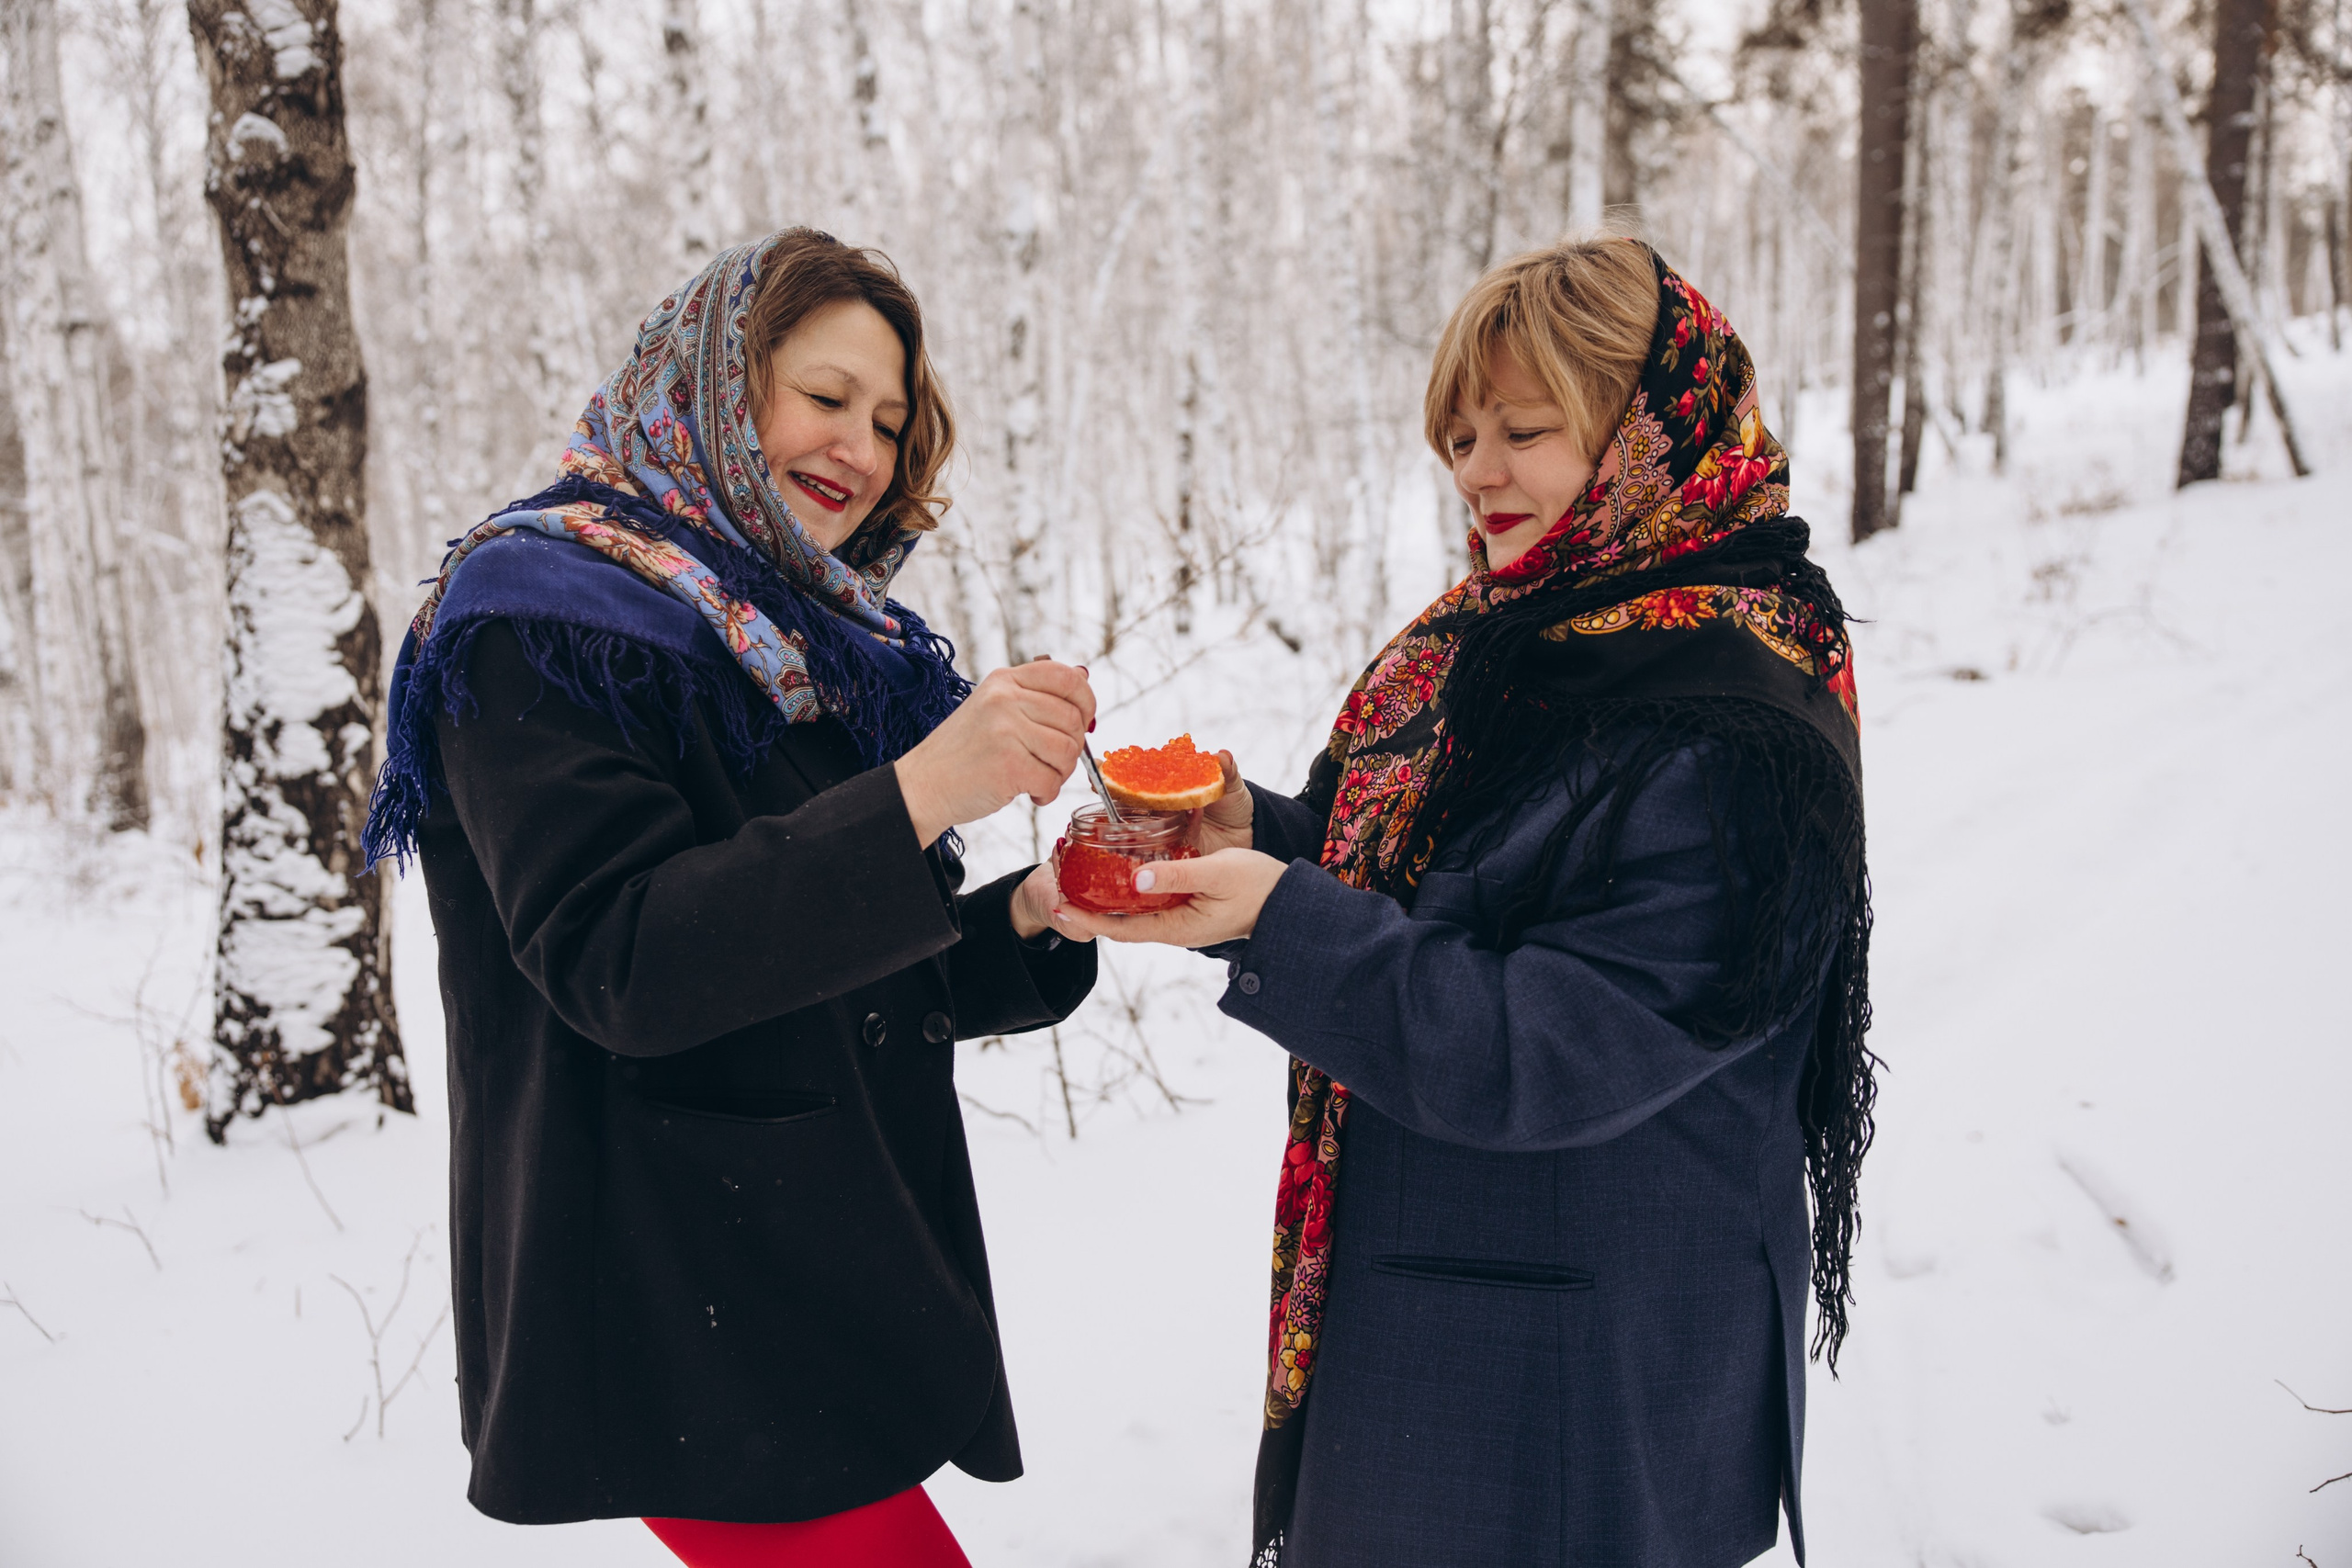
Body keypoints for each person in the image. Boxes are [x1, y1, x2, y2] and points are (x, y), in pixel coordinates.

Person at [1053, 237, 1874, 1567]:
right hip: (1465, 1329)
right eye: (1461, 435)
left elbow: (1548, 1047)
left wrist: (1276, 917)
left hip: (1580, 1374)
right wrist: (1262, 839)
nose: (1476, 471)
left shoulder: (1735, 723)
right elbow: (1438, 880)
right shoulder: (1519, 633)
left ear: (1648, 436)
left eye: (1523, 432)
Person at [364, 230, 1099, 1568]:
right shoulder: (535, 616)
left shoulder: (790, 635)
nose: (861, 450)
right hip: (676, 1296)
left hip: (809, 1271)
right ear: (709, 384)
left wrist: (1031, 916)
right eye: (826, 397)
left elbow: (829, 960)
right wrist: (925, 788)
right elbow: (621, 958)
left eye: (890, 423)